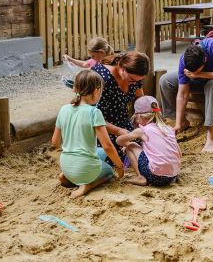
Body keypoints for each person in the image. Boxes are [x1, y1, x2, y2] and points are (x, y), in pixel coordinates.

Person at [160, 38, 213, 153]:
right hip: (204, 82)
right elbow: (183, 93)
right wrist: (178, 123)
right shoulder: (185, 59)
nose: (194, 72)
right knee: (166, 81)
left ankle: (212, 138)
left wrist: (199, 74)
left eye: (196, 70)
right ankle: (180, 123)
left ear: (205, 59)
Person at [51, 70, 124, 198]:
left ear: (75, 88)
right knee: (109, 172)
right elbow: (107, 145)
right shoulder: (94, 112)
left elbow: (55, 142)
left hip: (66, 166)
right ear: (96, 91)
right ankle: (86, 186)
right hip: (85, 169)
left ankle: (68, 177)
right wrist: (120, 166)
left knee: (100, 152)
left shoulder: (64, 109)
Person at [92, 51, 150, 167]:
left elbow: (140, 99)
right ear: (123, 68)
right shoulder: (103, 78)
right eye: (132, 79)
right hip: (100, 126)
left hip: (122, 123)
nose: (135, 83)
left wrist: (146, 115)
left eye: (138, 80)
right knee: (112, 155)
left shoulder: (136, 78)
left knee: (144, 145)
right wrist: (118, 131)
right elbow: (90, 116)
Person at [116, 96, 181, 186]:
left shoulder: (142, 131)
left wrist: (127, 142)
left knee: (131, 146)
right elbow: (179, 153)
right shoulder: (169, 129)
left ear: (138, 116)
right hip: (172, 176)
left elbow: (118, 140)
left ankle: (140, 177)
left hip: (155, 177)